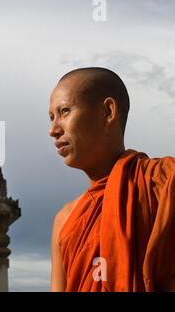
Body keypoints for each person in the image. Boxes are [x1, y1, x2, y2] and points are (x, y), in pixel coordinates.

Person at [48, 67, 175, 292]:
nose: (53, 130)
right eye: (51, 117)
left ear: (108, 112)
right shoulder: (65, 221)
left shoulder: (163, 185)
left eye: (65, 111)